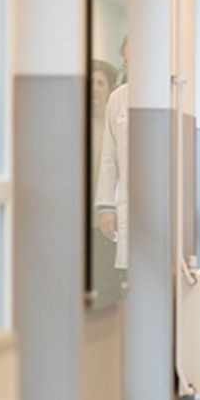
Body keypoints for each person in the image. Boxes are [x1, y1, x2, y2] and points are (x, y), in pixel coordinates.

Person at [90, 59, 122, 307]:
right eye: (90, 82)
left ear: (111, 88)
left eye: (100, 83)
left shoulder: (115, 126)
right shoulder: (80, 125)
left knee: (106, 279)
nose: (94, 88)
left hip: (108, 216)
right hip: (84, 215)